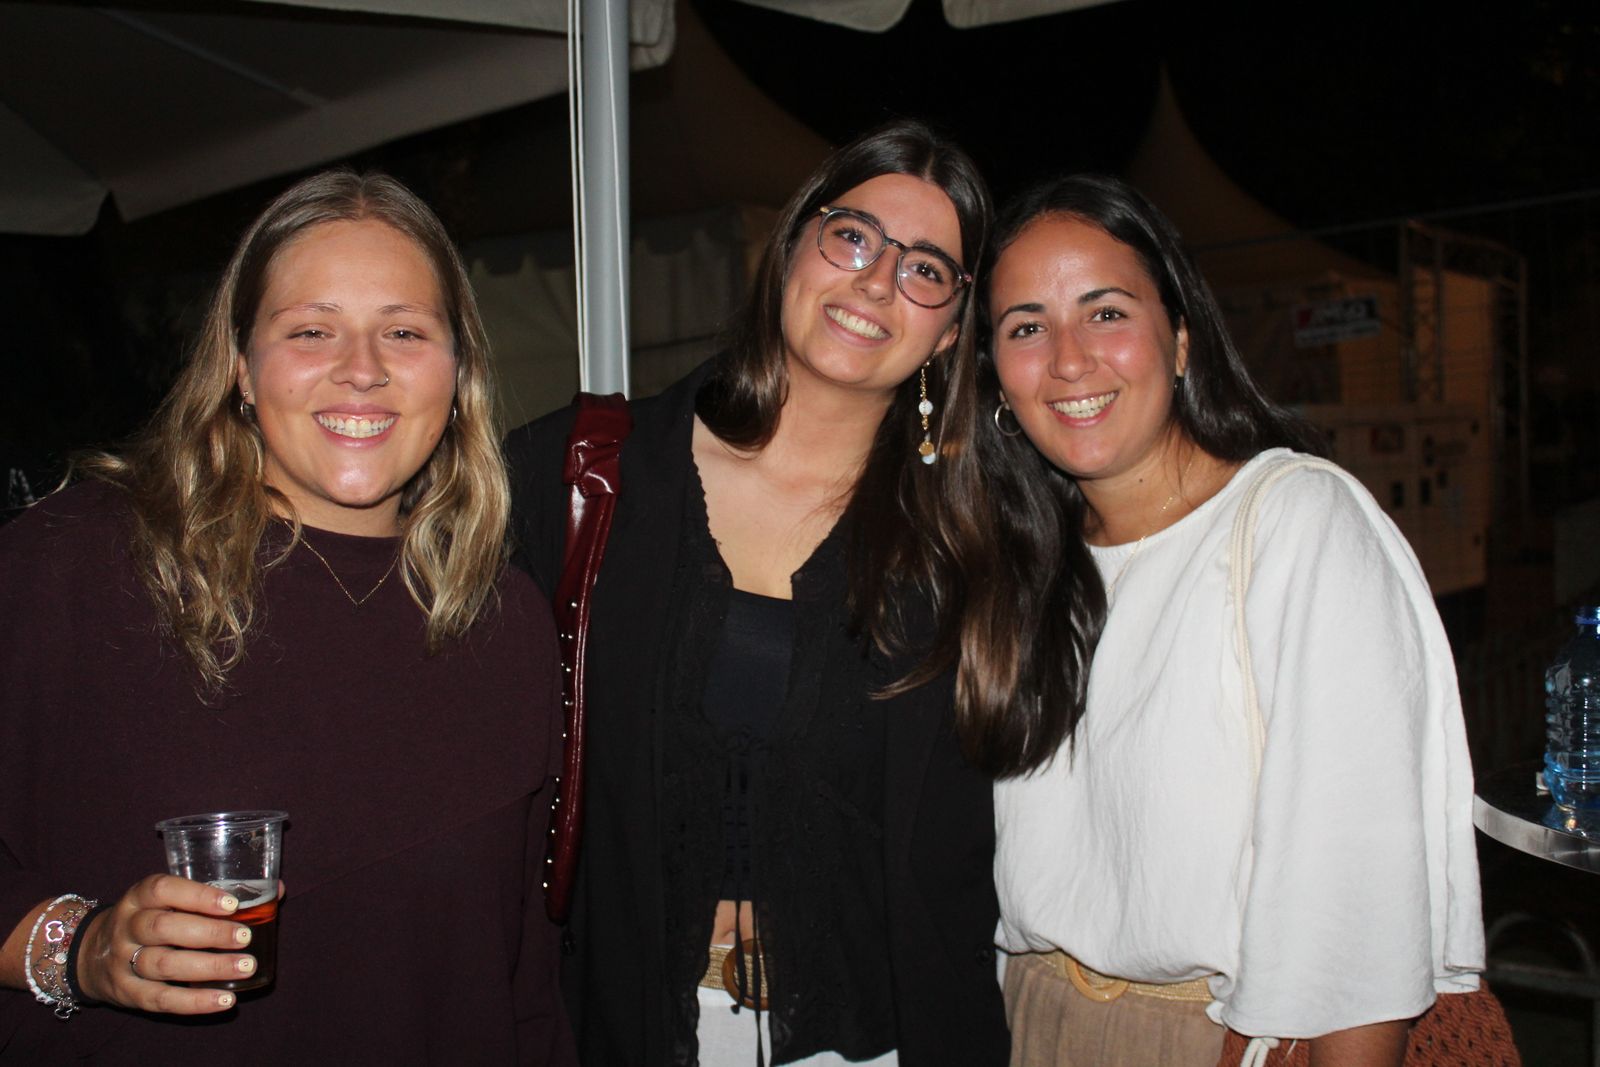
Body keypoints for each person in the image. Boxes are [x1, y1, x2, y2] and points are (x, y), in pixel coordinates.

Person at [0, 170, 576, 1064]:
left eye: (404, 331)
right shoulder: (75, 565)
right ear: (239, 364)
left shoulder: (503, 626)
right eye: (311, 329)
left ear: (458, 372)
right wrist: (79, 947)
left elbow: (521, 983)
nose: (363, 368)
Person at [504, 120, 1010, 1067]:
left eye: (925, 268)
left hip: (867, 1039)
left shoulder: (977, 542)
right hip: (623, 1022)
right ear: (794, 246)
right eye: (854, 237)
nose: (874, 281)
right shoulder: (581, 480)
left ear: (951, 326)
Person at [970, 174, 1486, 1067]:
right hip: (1030, 1025)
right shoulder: (1014, 568)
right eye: (1026, 326)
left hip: (1220, 1040)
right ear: (994, 376)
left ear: (1179, 338)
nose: (1066, 358)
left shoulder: (1299, 524)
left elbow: (1357, 906)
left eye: (1104, 312)